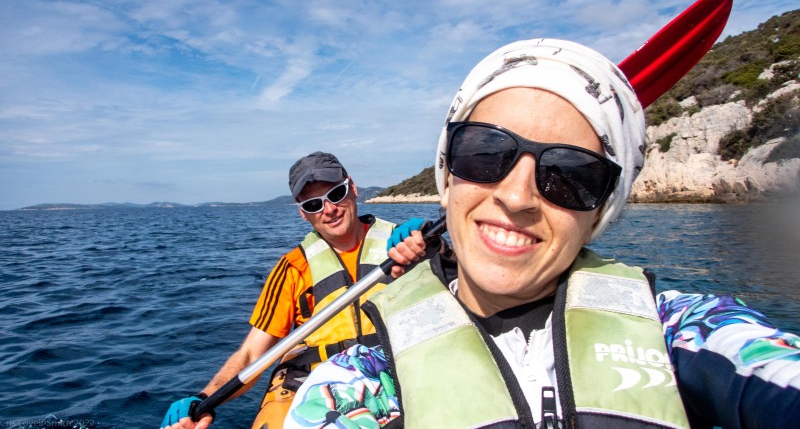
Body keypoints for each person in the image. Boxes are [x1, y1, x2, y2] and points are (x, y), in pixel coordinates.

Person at [283, 39, 800, 428]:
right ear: (448, 173)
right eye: (485, 153)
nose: (517, 196)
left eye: (571, 174)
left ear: (601, 210)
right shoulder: (360, 380)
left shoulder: (682, 331)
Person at [161, 151, 426, 429]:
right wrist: (204, 398)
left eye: (336, 194)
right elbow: (252, 353)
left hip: (400, 364)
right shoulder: (292, 268)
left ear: (353, 188)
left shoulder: (407, 243)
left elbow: (465, 291)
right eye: (313, 204)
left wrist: (437, 251)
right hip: (326, 384)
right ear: (302, 213)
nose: (329, 209)